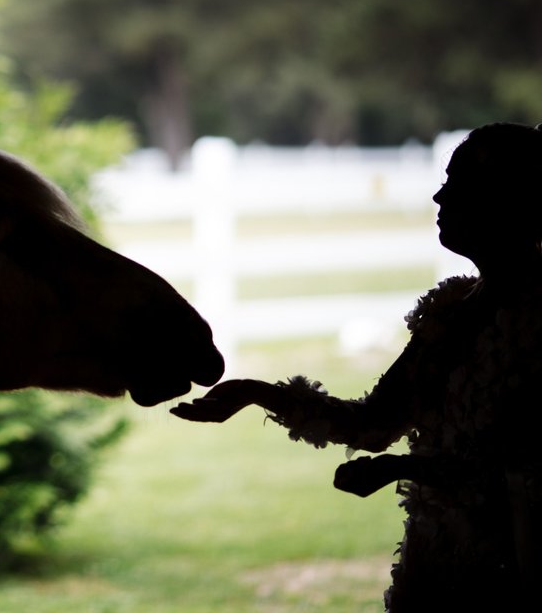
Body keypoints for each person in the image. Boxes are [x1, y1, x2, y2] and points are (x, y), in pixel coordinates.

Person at [171, 123, 542, 611]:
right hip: (432, 566)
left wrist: (405, 467)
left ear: (505, 199)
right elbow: (371, 424)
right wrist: (256, 393)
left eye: (457, 184)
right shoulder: (450, 311)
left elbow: (524, 468)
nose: (437, 195)